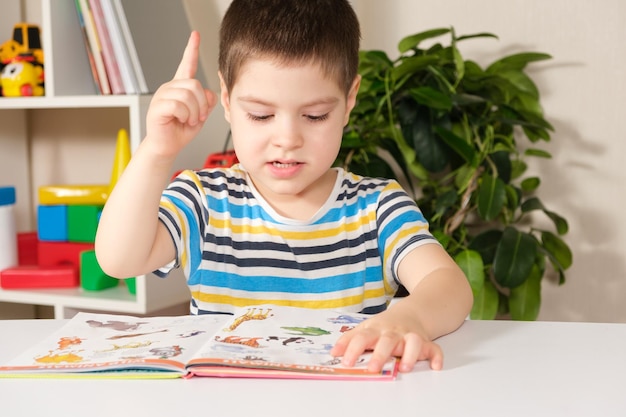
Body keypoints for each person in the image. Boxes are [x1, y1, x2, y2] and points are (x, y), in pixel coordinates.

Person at [95, 0, 473, 374]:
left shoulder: (377, 207)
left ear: (349, 100)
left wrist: (409, 317)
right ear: (226, 98)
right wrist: (156, 151)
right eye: (261, 115)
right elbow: (119, 259)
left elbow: (450, 287)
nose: (287, 138)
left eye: (315, 116)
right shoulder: (204, 200)